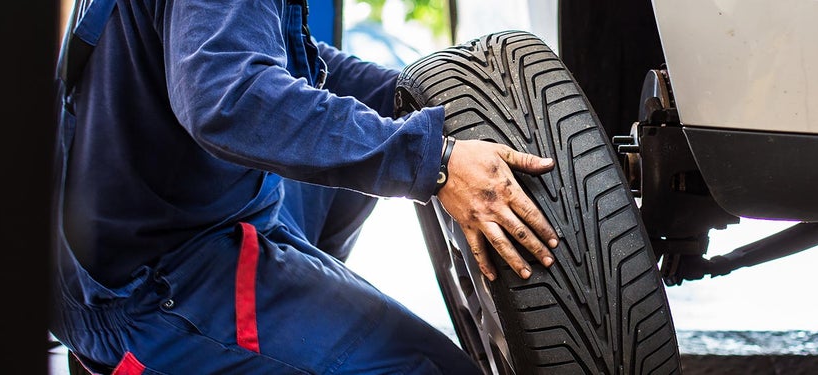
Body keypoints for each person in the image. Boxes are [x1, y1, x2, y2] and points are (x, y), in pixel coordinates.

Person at [49, 0, 559, 373]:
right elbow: (229, 98)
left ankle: (296, 321)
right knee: (430, 367)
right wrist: (436, 162)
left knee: (346, 157)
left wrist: (421, 102)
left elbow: (294, 66)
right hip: (148, 285)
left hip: (170, 215)